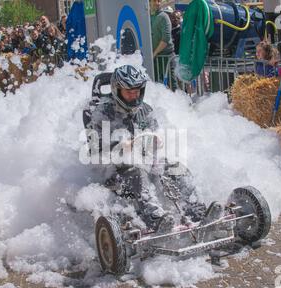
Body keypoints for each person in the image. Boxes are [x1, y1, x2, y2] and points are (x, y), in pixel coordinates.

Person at [83, 65, 218, 232]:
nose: (134, 96)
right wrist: (119, 147)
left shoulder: (145, 110)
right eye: (128, 92)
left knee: (177, 168)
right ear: (116, 90)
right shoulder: (101, 113)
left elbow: (155, 134)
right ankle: (155, 219)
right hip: (115, 171)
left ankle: (197, 211)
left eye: (137, 91)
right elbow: (96, 152)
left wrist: (158, 142)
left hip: (147, 160)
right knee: (137, 172)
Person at [150, 0, 177, 91]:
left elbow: (165, 39)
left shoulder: (164, 16)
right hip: (155, 58)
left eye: (159, 1)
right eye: (154, 1)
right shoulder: (148, 17)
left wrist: (154, 54)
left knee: (172, 86)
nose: (157, 3)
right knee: (155, 85)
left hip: (167, 56)